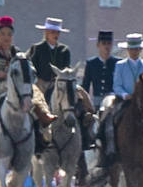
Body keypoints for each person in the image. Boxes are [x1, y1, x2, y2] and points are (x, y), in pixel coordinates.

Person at [28, 17, 94, 150]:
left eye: (57, 32)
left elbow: (67, 68)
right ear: (46, 32)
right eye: (53, 32)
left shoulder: (65, 50)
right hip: (42, 83)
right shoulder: (37, 48)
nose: (56, 35)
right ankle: (36, 137)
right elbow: (31, 68)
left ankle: (86, 124)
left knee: (80, 94)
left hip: (62, 82)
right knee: (34, 106)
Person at [98, 33, 143, 165]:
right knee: (109, 117)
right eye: (132, 49)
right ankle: (109, 148)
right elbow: (116, 85)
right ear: (128, 50)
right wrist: (125, 95)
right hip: (125, 100)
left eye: (137, 49)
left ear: (140, 50)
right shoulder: (120, 65)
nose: (134, 52)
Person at [81, 30, 118, 110]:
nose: (106, 47)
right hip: (96, 100)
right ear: (98, 45)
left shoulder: (118, 63)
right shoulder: (91, 63)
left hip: (113, 100)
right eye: (104, 44)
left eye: (109, 44)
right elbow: (86, 85)